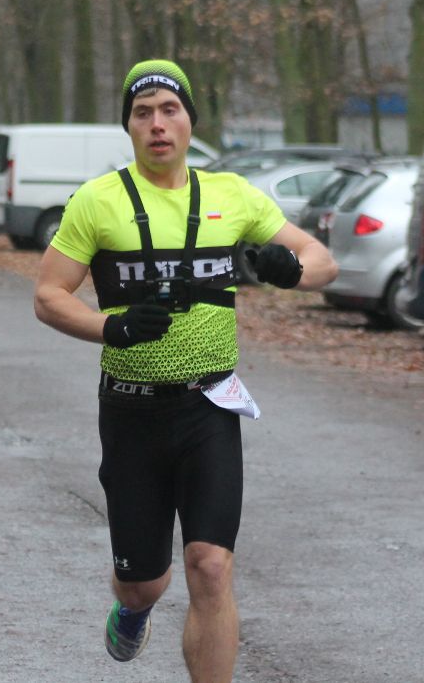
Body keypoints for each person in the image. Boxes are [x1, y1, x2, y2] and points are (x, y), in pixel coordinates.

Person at [32, 59, 337, 683]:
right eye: (143, 114)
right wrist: (111, 327)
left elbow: (321, 260)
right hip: (132, 410)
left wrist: (292, 271)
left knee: (211, 566)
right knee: (145, 582)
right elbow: (48, 296)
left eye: (170, 110)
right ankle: (133, 607)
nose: (158, 124)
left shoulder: (231, 195)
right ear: (130, 128)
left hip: (209, 407)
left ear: (190, 121)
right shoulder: (98, 201)